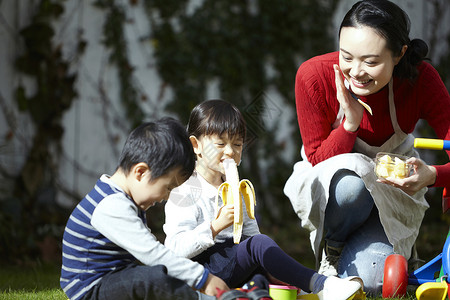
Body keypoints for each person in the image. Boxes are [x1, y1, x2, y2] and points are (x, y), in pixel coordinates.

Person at [284, 0, 450, 295]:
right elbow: (317, 160)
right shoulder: (313, 76)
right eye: (347, 56)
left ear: (399, 54)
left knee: (375, 285)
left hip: (393, 191)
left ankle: (392, 253)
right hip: (338, 194)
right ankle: (331, 253)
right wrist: (350, 124)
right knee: (352, 184)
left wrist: (433, 175)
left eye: (371, 62)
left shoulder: (421, 80)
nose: (356, 71)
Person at [163, 99, 364, 300]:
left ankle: (302, 291)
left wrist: (271, 266)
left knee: (261, 269)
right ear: (196, 145)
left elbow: (253, 241)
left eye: (237, 144)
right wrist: (215, 226)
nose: (231, 152)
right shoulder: (185, 192)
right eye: (221, 144)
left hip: (232, 267)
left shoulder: (238, 189)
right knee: (257, 246)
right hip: (202, 272)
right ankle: (321, 284)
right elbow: (174, 249)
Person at [60, 117, 230, 300]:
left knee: (154, 274)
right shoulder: (111, 205)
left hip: (113, 280)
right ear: (140, 172)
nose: (166, 197)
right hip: (89, 291)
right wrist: (204, 279)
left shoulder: (122, 200)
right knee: (151, 279)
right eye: (168, 188)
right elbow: (152, 253)